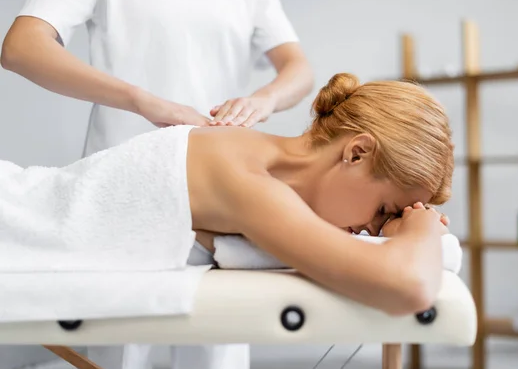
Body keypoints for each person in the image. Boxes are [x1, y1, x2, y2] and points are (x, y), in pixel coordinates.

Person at [1, 0, 313, 369]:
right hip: (123, 184)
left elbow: (297, 67)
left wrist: (265, 99)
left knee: (217, 365)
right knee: (118, 366)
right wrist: (141, 100)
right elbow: (21, 48)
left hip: (218, 191)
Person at [1, 71, 454, 324]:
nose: (375, 231)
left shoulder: (259, 168)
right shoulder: (246, 178)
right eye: (382, 211)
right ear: (356, 152)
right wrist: (421, 229)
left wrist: (402, 228)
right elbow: (408, 288)